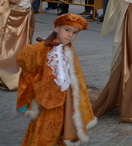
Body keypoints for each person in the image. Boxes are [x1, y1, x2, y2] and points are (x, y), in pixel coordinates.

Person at [16, 13, 96, 145]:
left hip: (65, 99)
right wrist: (40, 48)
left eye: (75, 33)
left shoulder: (69, 50)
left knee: (61, 130)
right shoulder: (44, 48)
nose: (70, 35)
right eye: (67, 30)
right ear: (57, 29)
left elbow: (76, 77)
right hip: (47, 101)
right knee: (44, 132)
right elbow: (24, 60)